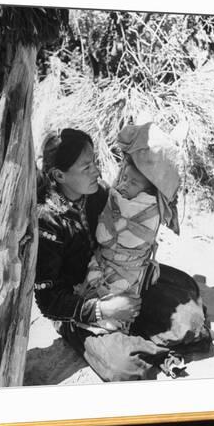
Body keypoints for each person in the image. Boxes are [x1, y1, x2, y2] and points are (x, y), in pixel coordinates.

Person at [34, 127, 214, 382]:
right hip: (80, 303)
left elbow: (128, 234)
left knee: (189, 315)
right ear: (59, 175)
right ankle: (155, 350)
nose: (96, 171)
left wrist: (143, 265)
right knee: (126, 368)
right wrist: (103, 310)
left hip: (121, 276)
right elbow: (47, 300)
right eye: (86, 168)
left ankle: (142, 331)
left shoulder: (97, 193)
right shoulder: (47, 222)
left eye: (94, 162)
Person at [77, 123, 181, 335]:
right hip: (129, 272)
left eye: (132, 182)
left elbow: (103, 236)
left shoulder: (132, 205)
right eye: (124, 178)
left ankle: (108, 320)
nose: (124, 185)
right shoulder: (156, 207)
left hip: (119, 272)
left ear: (148, 190)